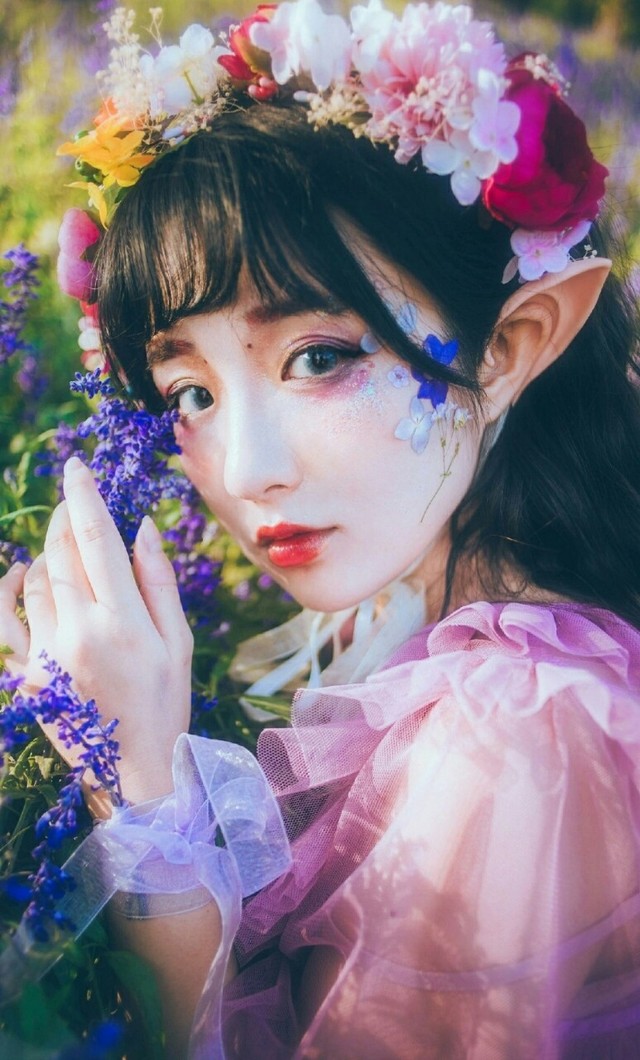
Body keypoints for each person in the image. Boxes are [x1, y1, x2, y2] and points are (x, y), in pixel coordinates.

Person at [2, 0, 640, 1055]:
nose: (245, 470)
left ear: (510, 345)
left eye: (318, 357)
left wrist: (137, 781)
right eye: (189, 393)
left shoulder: (518, 737)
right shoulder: (425, 618)